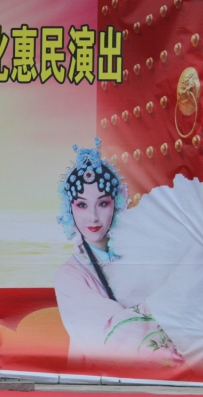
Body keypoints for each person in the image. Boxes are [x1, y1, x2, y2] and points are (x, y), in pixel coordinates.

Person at [53, 139, 185, 371]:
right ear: (69, 209)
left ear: (117, 203)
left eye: (103, 203)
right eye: (82, 205)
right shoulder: (70, 276)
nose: (93, 217)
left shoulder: (143, 254)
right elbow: (109, 337)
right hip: (102, 377)